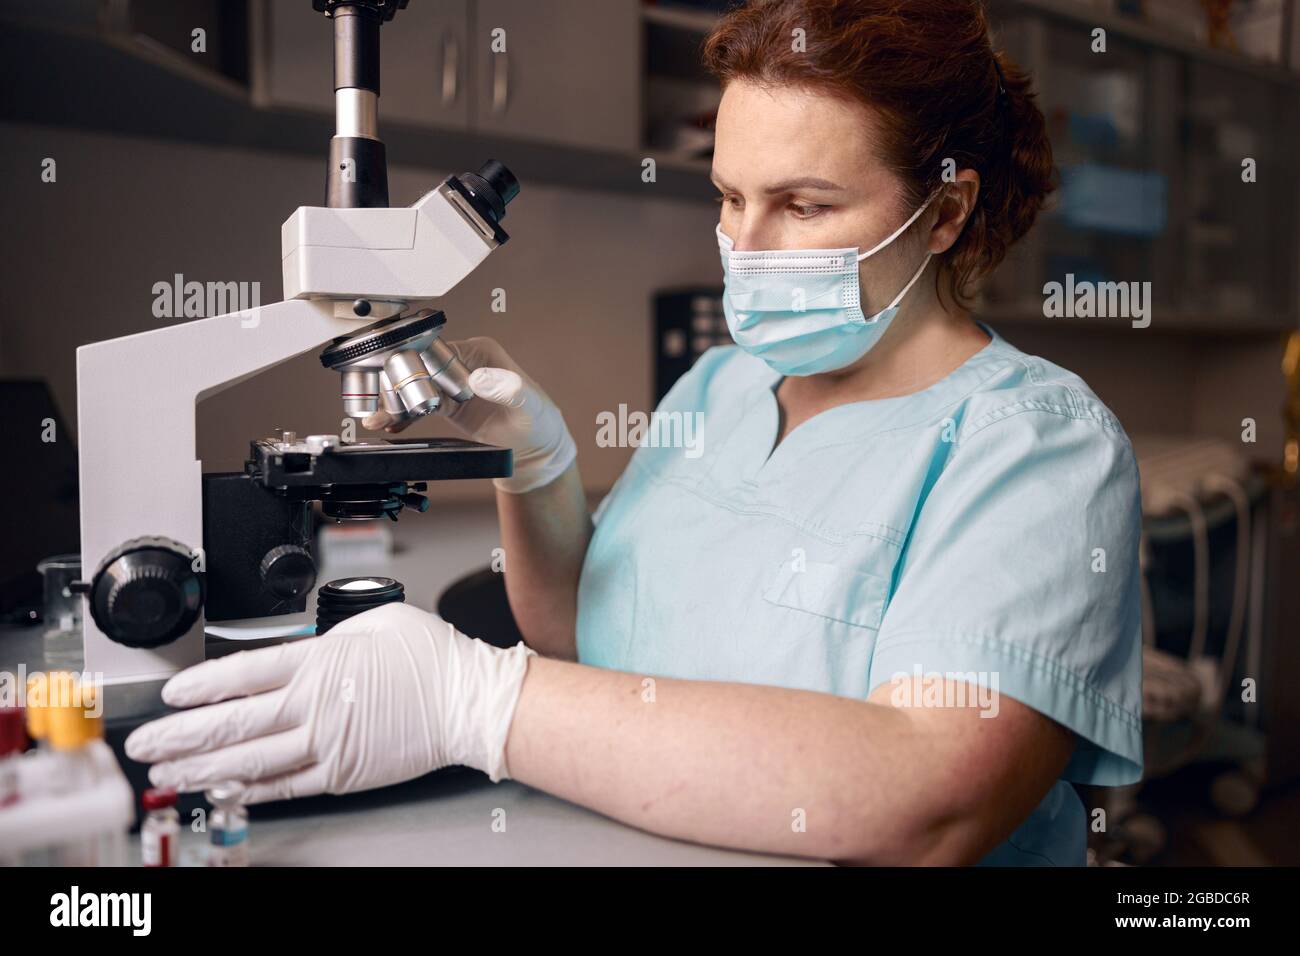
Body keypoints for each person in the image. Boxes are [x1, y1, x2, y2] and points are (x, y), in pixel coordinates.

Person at [126, 0, 1142, 865]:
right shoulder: (721, 387)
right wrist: (539, 467)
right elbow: (582, 633)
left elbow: (932, 799)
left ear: (942, 213)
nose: (744, 244)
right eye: (731, 197)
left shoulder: (1035, 445)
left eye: (802, 203)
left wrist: (476, 700)